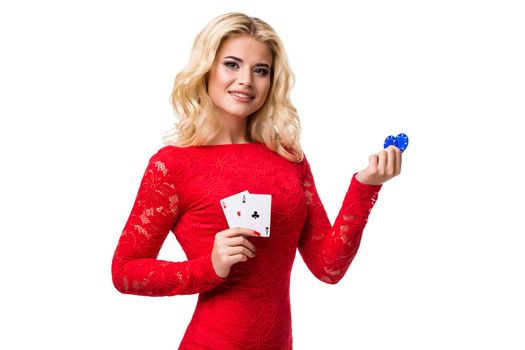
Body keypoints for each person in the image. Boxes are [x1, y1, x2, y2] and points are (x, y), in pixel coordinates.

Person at [111, 12, 402, 349]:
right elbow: (125, 272)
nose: (246, 80)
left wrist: (366, 186)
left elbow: (328, 268)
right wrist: (208, 267)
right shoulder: (172, 165)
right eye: (232, 65)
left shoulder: (288, 157)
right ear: (207, 69)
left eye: (260, 70)